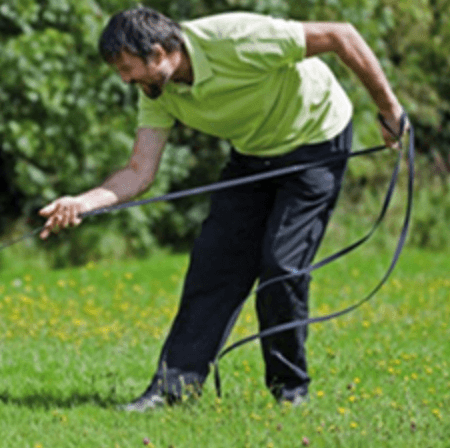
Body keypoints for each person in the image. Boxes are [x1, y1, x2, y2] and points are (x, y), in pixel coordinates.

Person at [38, 6, 406, 411]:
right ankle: (172, 390)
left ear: (159, 53)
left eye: (128, 69)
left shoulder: (238, 38)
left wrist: (389, 109)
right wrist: (82, 202)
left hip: (316, 142)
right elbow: (140, 170)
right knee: (214, 267)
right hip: (253, 155)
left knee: (282, 267)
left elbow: (341, 35)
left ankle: (290, 391)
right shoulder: (157, 92)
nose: (126, 80)